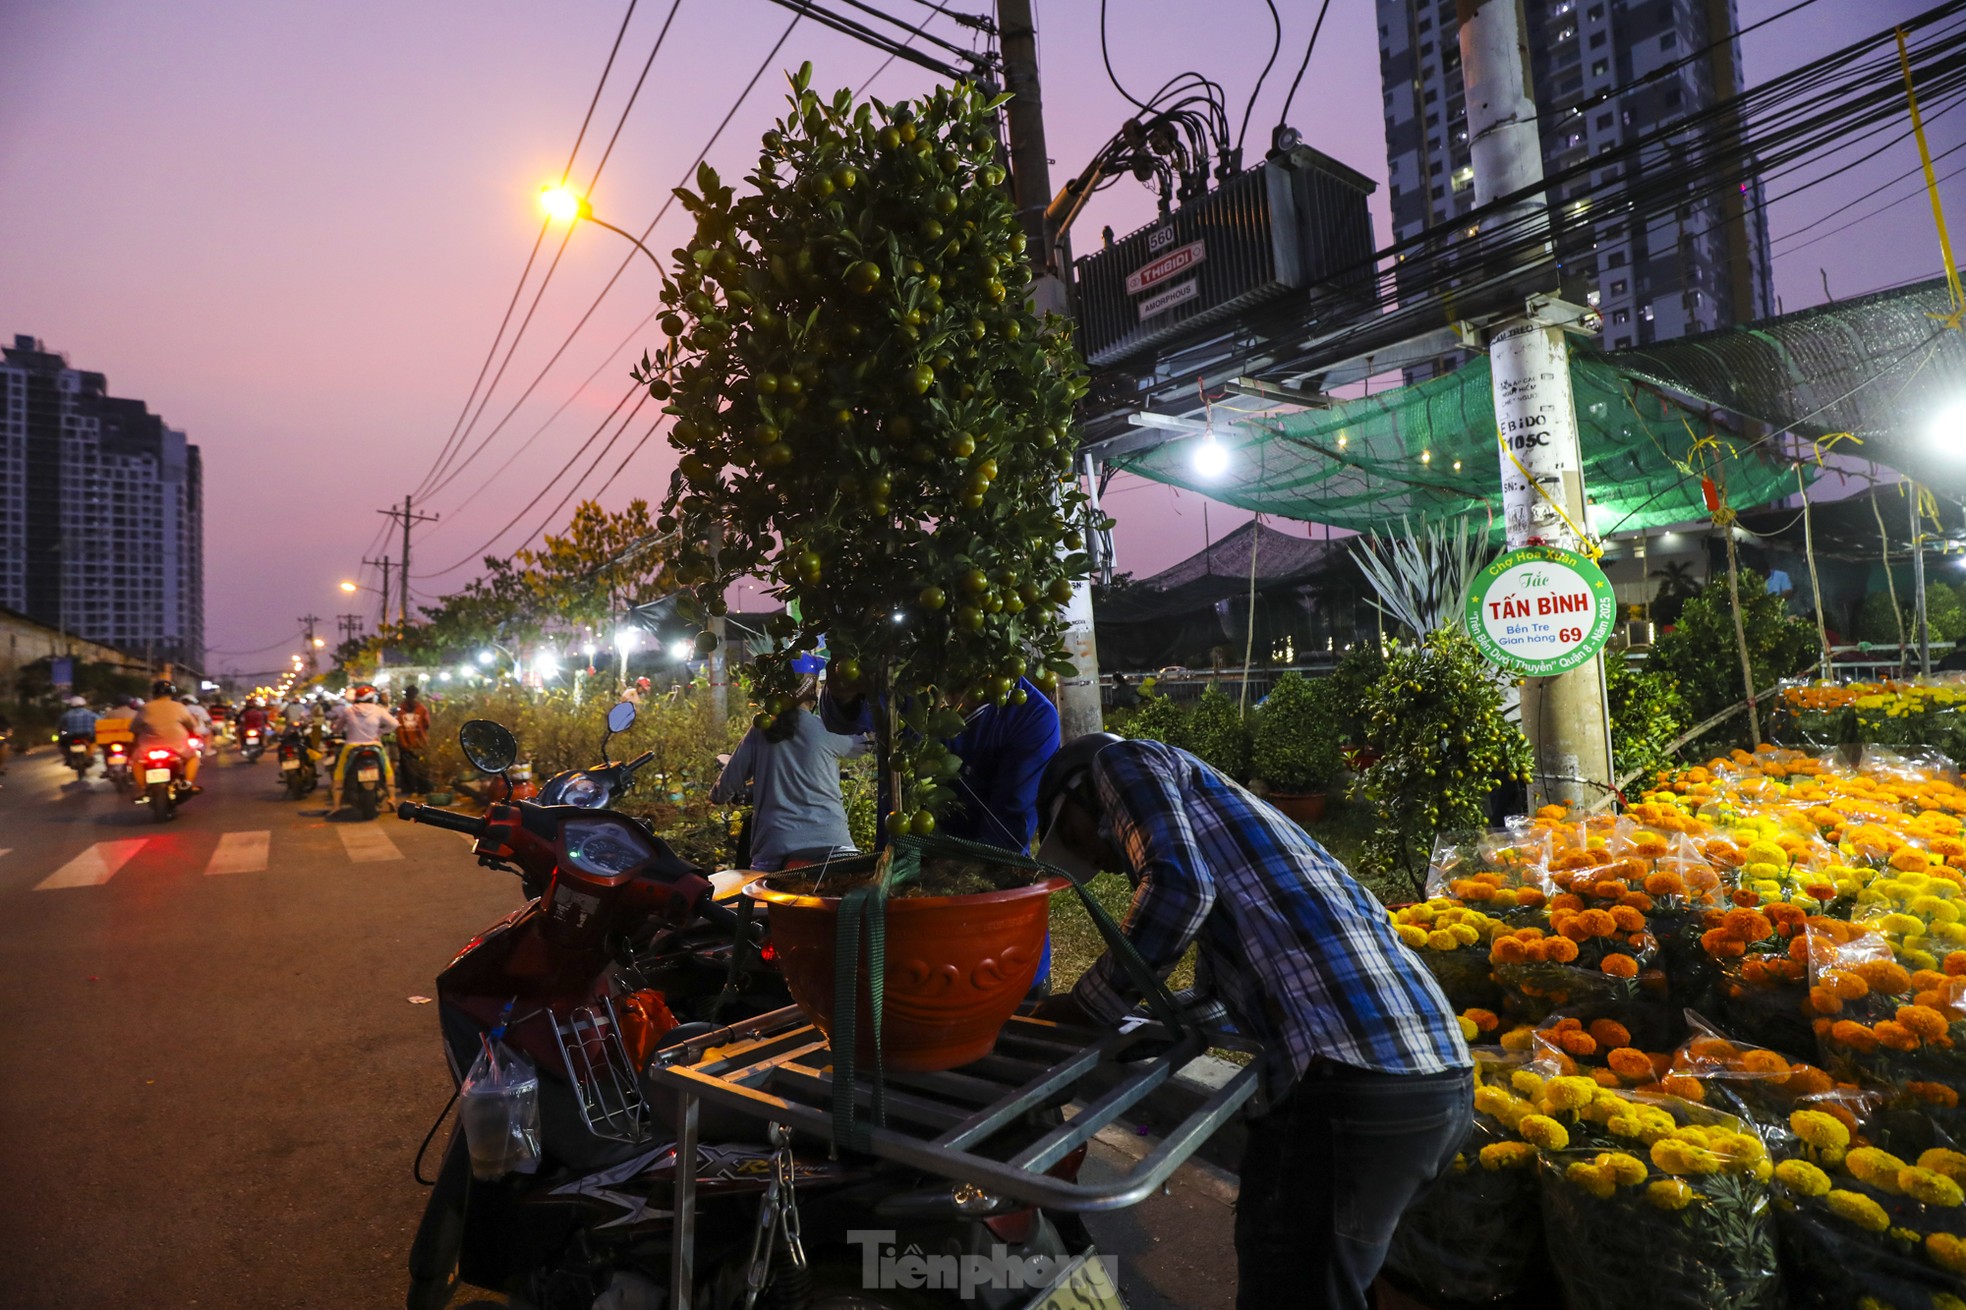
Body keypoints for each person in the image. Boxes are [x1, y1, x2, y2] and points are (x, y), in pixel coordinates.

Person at [1029, 734, 1473, 1310]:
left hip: (1349, 1088)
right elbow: (1222, 1000)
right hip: (1435, 1086)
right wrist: (1146, 1026)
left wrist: (1084, 1008)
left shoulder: (1120, 760)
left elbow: (1178, 891)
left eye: (1077, 841)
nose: (1104, 864)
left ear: (1080, 794)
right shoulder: (1254, 848)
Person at [712, 677, 867, 870]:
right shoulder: (825, 729)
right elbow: (865, 743)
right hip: (833, 845)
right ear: (813, 693)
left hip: (775, 848)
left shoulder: (760, 730)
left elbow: (723, 789)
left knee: (760, 891)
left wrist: (719, 794)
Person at [327, 684, 399, 811]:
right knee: (387, 770)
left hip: (352, 746)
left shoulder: (349, 711)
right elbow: (394, 724)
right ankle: (392, 798)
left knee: (339, 772)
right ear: (373, 698)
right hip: (375, 745)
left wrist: (335, 731)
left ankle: (336, 805)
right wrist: (381, 732)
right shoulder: (378, 710)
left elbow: (337, 728)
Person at [134, 681, 204, 790]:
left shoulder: (145, 708)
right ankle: (188, 783)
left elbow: (134, 728)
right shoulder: (179, 707)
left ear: (154, 693)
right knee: (193, 757)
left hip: (148, 746)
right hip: (177, 746)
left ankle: (142, 788)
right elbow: (191, 725)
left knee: (135, 761)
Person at [394, 684, 433, 796]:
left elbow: (399, 727)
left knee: (408, 769)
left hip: (408, 743)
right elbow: (427, 724)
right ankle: (422, 789)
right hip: (418, 743)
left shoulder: (401, 709)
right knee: (420, 767)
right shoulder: (421, 708)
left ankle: (412, 789)